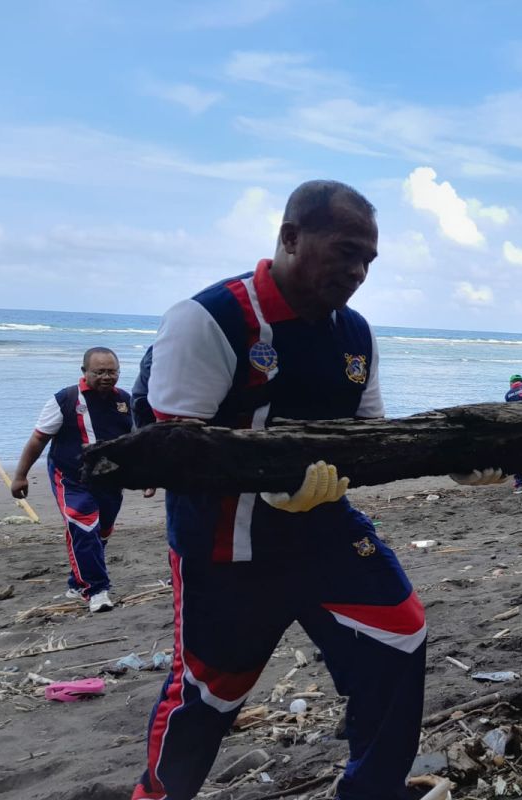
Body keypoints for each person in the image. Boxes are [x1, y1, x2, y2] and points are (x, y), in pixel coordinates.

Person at [131, 181, 427, 800]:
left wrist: (459, 455)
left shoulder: (356, 335)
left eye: (369, 260)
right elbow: (174, 455)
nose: (358, 271)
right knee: (209, 694)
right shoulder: (208, 319)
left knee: (399, 635)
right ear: (290, 237)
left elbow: (370, 439)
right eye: (346, 251)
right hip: (227, 549)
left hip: (324, 529)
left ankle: (373, 791)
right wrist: (267, 492)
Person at [9, 347, 137, 613]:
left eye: (111, 371)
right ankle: (97, 590)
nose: (106, 377)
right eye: (99, 371)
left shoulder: (125, 401)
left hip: (110, 479)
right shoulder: (65, 400)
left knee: (100, 532)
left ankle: (76, 582)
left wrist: (149, 477)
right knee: (84, 525)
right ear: (84, 372)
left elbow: (138, 442)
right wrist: (20, 476)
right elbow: (38, 439)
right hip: (70, 477)